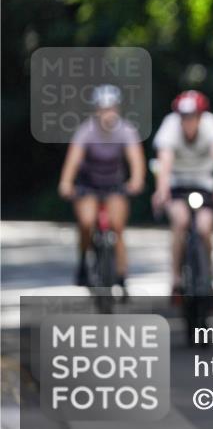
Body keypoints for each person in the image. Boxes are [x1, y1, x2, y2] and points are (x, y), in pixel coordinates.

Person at [58, 84, 145, 294]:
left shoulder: (126, 130)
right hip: (88, 186)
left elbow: (136, 158)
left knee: (117, 226)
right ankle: (83, 261)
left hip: (115, 185)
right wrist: (66, 182)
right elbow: (73, 160)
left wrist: (137, 180)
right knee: (87, 223)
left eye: (112, 108)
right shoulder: (86, 131)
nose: (108, 114)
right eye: (104, 109)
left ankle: (121, 274)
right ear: (96, 110)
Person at [151, 90, 213, 301]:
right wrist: (161, 190)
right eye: (184, 117)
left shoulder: (211, 124)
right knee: (180, 222)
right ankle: (176, 279)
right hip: (177, 183)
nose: (188, 122)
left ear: (200, 116)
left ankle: (209, 278)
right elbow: (164, 162)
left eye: (192, 117)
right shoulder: (170, 125)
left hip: (204, 183)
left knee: (205, 228)